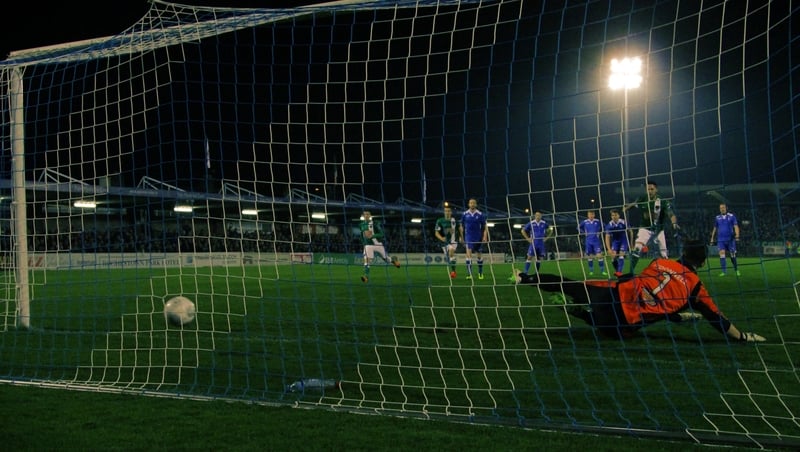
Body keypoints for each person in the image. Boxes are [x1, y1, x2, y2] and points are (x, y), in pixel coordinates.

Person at [513, 239, 766, 343]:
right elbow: (717, 318)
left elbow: (645, 283)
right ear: (701, 263)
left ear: (682, 254)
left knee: (568, 284)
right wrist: (742, 336)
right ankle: (584, 315)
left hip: (612, 293)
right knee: (624, 329)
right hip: (621, 320)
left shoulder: (659, 262)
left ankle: (524, 278)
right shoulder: (696, 288)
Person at [622, 180, 680, 273]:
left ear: (656, 190)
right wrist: (627, 208)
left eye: (652, 189)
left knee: (664, 255)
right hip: (645, 229)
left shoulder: (662, 201)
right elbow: (635, 204)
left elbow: (671, 214)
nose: (650, 191)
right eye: (648, 189)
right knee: (637, 248)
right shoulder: (642, 198)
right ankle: (631, 273)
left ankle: (667, 273)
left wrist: (674, 223)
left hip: (659, 230)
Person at [359, 210, 400, 283]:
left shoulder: (375, 223)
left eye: (368, 214)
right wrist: (363, 242)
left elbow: (381, 234)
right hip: (368, 245)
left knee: (386, 259)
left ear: (370, 215)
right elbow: (361, 235)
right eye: (365, 214)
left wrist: (372, 236)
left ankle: (393, 260)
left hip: (378, 244)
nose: (366, 216)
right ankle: (365, 276)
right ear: (363, 216)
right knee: (367, 261)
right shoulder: (361, 225)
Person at [459, 198, 488, 280]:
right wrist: (461, 236)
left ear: (476, 204)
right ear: (468, 204)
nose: (472, 204)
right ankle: (469, 274)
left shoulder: (480, 214)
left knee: (479, 256)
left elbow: (485, 226)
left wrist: (485, 236)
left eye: (473, 203)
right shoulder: (465, 214)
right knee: (468, 255)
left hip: (478, 237)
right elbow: (461, 226)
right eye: (471, 203)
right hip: (468, 237)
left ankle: (480, 273)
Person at [709, 203, 740, 276]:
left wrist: (737, 235)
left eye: (723, 207)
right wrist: (712, 238)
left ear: (726, 208)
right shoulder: (717, 217)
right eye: (720, 208)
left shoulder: (731, 216)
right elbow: (715, 228)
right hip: (721, 240)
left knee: (732, 255)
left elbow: (736, 226)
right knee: (722, 254)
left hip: (730, 239)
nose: (722, 209)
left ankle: (736, 270)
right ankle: (724, 271)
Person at [520, 210, 548, 275]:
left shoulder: (544, 223)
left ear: (541, 216)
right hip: (533, 243)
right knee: (529, 257)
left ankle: (536, 273)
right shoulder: (531, 223)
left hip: (541, 243)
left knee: (539, 258)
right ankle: (525, 272)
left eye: (539, 215)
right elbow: (523, 231)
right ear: (535, 216)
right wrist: (527, 238)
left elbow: (550, 229)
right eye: (536, 215)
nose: (538, 216)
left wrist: (546, 238)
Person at [578, 210, 606, 276]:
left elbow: (605, 226)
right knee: (589, 257)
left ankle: (602, 271)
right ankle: (591, 271)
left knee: (599, 256)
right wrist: (583, 232)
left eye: (592, 214)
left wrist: (601, 231)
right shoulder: (585, 222)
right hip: (588, 241)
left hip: (596, 241)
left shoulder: (597, 221)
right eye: (590, 214)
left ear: (594, 215)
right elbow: (578, 227)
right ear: (588, 215)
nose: (591, 215)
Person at [434, 205, 459, 279]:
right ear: (444, 212)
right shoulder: (440, 220)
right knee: (450, 256)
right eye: (446, 211)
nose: (447, 212)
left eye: (448, 211)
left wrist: (462, 238)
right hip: (444, 242)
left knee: (451, 251)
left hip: (454, 241)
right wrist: (442, 238)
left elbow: (460, 228)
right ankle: (453, 265)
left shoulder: (454, 220)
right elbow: (436, 233)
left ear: (451, 212)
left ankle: (453, 272)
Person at [605, 209, 630, 275]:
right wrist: (609, 249)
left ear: (619, 215)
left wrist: (631, 243)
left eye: (615, 215)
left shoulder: (624, 222)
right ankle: (618, 270)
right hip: (615, 242)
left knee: (621, 255)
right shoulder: (609, 225)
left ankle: (619, 272)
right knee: (613, 257)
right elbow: (607, 237)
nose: (614, 217)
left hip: (623, 241)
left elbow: (630, 232)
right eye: (612, 215)